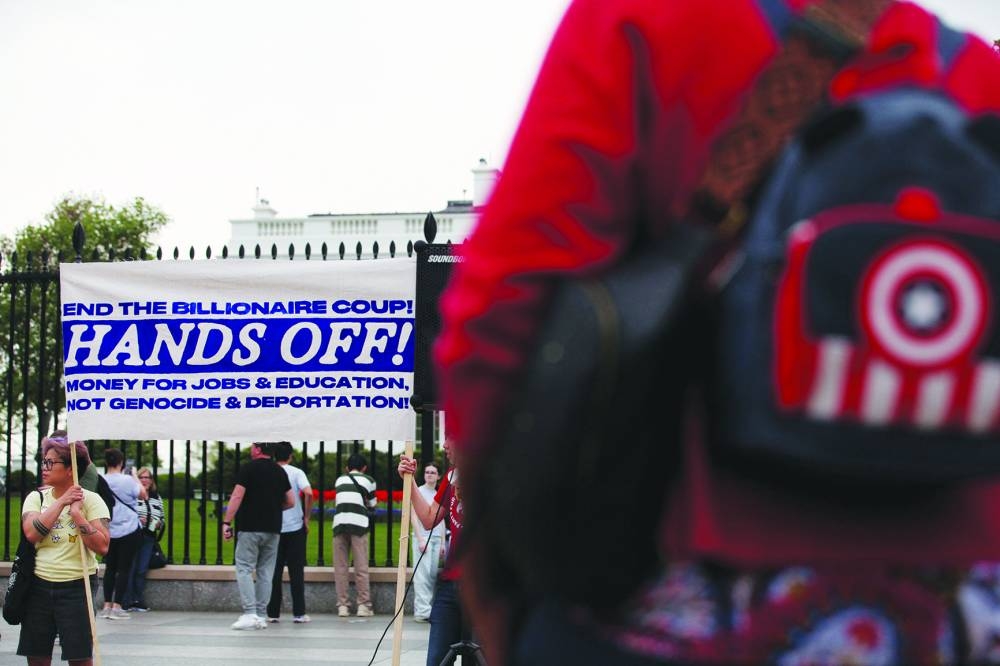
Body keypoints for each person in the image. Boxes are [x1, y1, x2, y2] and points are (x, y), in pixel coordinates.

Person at [431, 1, 1000, 664]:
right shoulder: (975, 75)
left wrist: (495, 571)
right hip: (949, 606)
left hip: (691, 584)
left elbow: (501, 314)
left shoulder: (640, 24)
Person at [18, 435, 110, 665]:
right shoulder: (36, 498)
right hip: (38, 585)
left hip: (78, 586)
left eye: (51, 462)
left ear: (71, 469)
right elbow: (31, 533)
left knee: (80, 657)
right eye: (44, 462)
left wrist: (78, 515)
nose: (45, 467)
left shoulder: (91, 500)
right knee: (37, 656)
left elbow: (102, 545)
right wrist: (61, 503)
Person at [398, 441, 468, 666]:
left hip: (484, 587)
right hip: (451, 586)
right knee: (437, 659)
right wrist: (409, 482)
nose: (446, 445)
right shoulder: (450, 477)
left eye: (453, 437)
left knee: (477, 659)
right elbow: (428, 519)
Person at [222, 441, 294, 630]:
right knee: (265, 571)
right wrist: (272, 509)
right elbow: (291, 501)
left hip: (249, 527)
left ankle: (249, 612)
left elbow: (237, 496)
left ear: (258, 449)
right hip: (273, 528)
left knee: (244, 568)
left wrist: (227, 522)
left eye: (252, 446)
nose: (250, 449)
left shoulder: (248, 469)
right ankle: (261, 615)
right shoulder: (280, 471)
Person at [265, 442, 313, 624]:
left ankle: (272, 612)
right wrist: (306, 517)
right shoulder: (296, 472)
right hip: (295, 527)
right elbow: (308, 493)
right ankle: (299, 612)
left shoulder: (270, 472)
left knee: (273, 572)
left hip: (275, 526)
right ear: (290, 456)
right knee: (296, 571)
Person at [98, 448, 146, 621]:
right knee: (124, 569)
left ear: (106, 462)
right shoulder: (127, 480)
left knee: (110, 568)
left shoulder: (101, 479)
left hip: (109, 528)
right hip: (129, 528)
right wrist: (134, 476)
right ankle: (117, 606)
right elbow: (143, 494)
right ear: (121, 463)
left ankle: (106, 605)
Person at [333, 453, 377, 618]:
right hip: (358, 524)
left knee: (341, 568)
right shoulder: (369, 480)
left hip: (339, 524)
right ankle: (363, 605)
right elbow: (373, 503)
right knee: (361, 567)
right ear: (364, 467)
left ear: (347, 468)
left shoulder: (340, 480)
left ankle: (343, 606)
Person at [123, 467, 165, 612]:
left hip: (148, 537)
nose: (145, 480)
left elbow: (162, 518)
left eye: (148, 478)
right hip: (133, 535)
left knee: (141, 569)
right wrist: (138, 519)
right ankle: (126, 600)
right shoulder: (132, 494)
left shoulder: (156, 497)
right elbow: (125, 514)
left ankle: (137, 599)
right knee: (131, 568)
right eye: (142, 477)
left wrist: (158, 523)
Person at [411, 462, 445, 623]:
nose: (429, 474)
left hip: (437, 538)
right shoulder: (420, 492)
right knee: (422, 575)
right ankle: (422, 612)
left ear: (438, 476)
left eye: (433, 472)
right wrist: (419, 538)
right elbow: (414, 516)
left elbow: (442, 520)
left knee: (431, 576)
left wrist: (443, 543)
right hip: (423, 538)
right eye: (427, 472)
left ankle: (427, 608)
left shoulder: (438, 493)